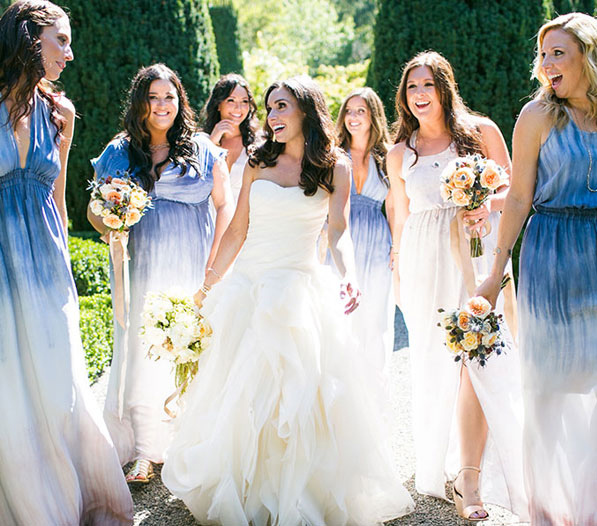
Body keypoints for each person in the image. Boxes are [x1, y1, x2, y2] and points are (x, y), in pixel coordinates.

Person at [162, 75, 414, 525]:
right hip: (247, 288)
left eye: (281, 106)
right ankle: (244, 487)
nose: (272, 116)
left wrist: (349, 275)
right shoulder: (256, 160)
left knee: (296, 399)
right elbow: (237, 230)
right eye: (270, 107)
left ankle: (294, 493)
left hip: (298, 290)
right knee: (237, 393)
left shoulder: (333, 166)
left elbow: (338, 231)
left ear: (305, 110)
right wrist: (207, 287)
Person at [0, 1, 133, 524]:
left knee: (59, 384)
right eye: (62, 40)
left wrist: (67, 272)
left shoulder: (61, 113)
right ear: (29, 38)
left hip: (46, 264)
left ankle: (78, 497)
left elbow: (56, 199)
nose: (71, 54)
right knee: (9, 387)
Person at [387, 51, 527, 521]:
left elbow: (513, 189)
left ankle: (472, 475)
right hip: (424, 260)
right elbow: (400, 214)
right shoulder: (400, 152)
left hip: (476, 253)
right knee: (434, 361)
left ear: (445, 88)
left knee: (481, 355)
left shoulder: (481, 131)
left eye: (427, 84)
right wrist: (398, 269)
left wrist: (486, 206)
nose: (419, 94)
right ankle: (441, 465)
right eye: (411, 87)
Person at [477, 13, 597, 525]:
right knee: (550, 384)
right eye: (543, 54)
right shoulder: (537, 115)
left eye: (558, 53)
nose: (547, 64)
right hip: (550, 254)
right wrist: (495, 270)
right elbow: (518, 197)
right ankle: (549, 509)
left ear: (588, 57)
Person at [88, 63, 234, 484]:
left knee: (193, 350)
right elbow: (94, 211)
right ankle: (144, 450)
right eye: (152, 97)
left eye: (169, 96)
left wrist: (213, 267)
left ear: (180, 101)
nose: (161, 105)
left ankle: (192, 444)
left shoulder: (203, 149)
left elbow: (225, 205)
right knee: (143, 353)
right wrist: (111, 222)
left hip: (195, 266)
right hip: (143, 266)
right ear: (140, 103)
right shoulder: (119, 151)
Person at [330, 87, 395, 373]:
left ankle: (373, 385)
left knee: (374, 315)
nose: (353, 117)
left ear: (373, 116)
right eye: (348, 111)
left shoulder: (388, 157)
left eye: (361, 111)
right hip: (339, 236)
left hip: (377, 239)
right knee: (337, 310)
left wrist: (396, 247)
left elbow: (394, 206)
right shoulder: (333, 154)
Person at [204, 73, 258, 203]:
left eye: (244, 101)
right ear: (218, 104)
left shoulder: (257, 143)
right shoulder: (203, 141)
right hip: (209, 214)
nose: (238, 108)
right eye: (231, 100)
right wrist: (212, 142)